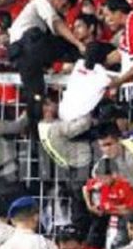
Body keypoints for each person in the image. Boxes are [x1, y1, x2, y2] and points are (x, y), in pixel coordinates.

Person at [8, 0, 86, 123]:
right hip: (30, 43)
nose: (64, 9)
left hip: (21, 55)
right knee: (68, 46)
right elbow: (56, 24)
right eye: (64, 5)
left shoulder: (25, 18)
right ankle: (91, 60)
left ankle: (34, 132)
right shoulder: (41, 2)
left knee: (35, 94)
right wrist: (78, 43)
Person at [38, 96, 95, 235]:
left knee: (78, 205)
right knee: (85, 206)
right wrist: (87, 106)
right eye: (52, 103)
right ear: (46, 109)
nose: (57, 104)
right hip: (81, 165)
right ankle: (84, 236)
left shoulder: (42, 126)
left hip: (70, 168)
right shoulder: (57, 127)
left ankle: (79, 233)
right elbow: (84, 124)